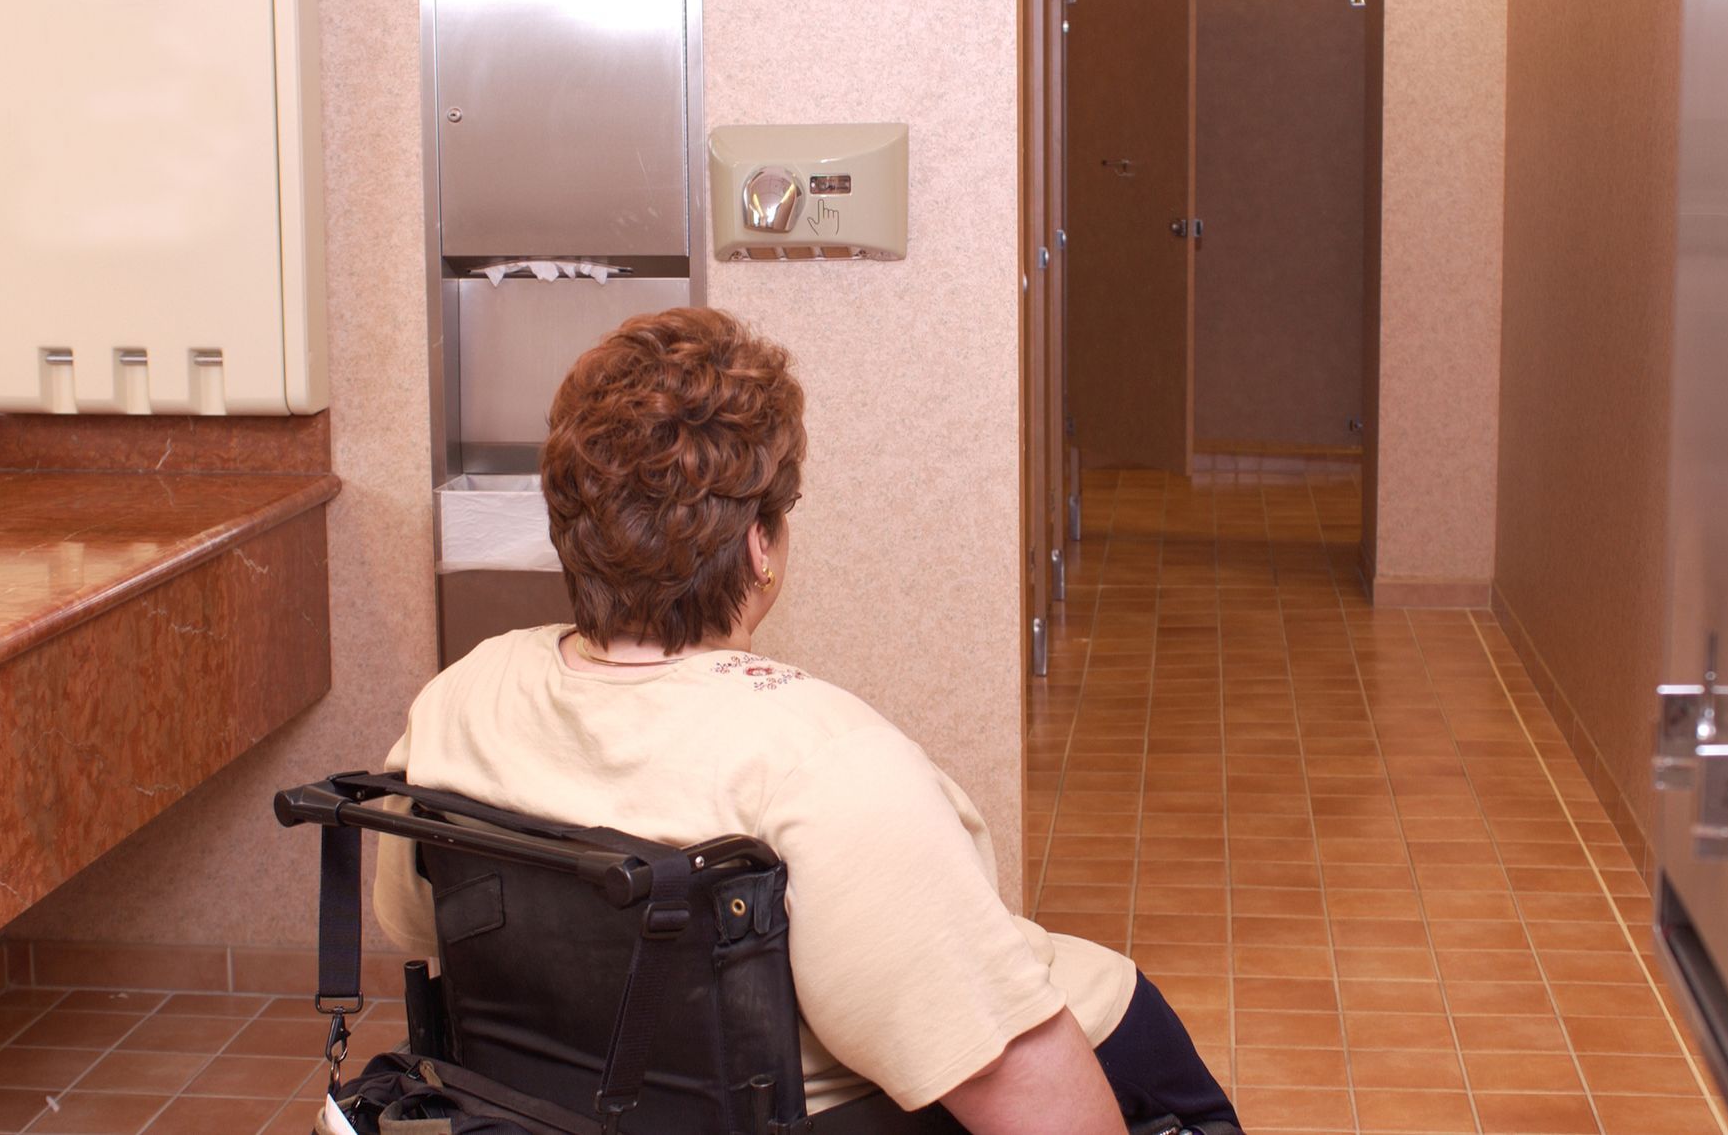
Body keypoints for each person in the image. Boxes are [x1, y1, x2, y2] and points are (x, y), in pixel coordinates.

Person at [373, 307, 1243, 1135]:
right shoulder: (826, 759)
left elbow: (415, 927)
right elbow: (1023, 1093)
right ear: (760, 545)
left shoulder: (462, 696)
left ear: (568, 527)